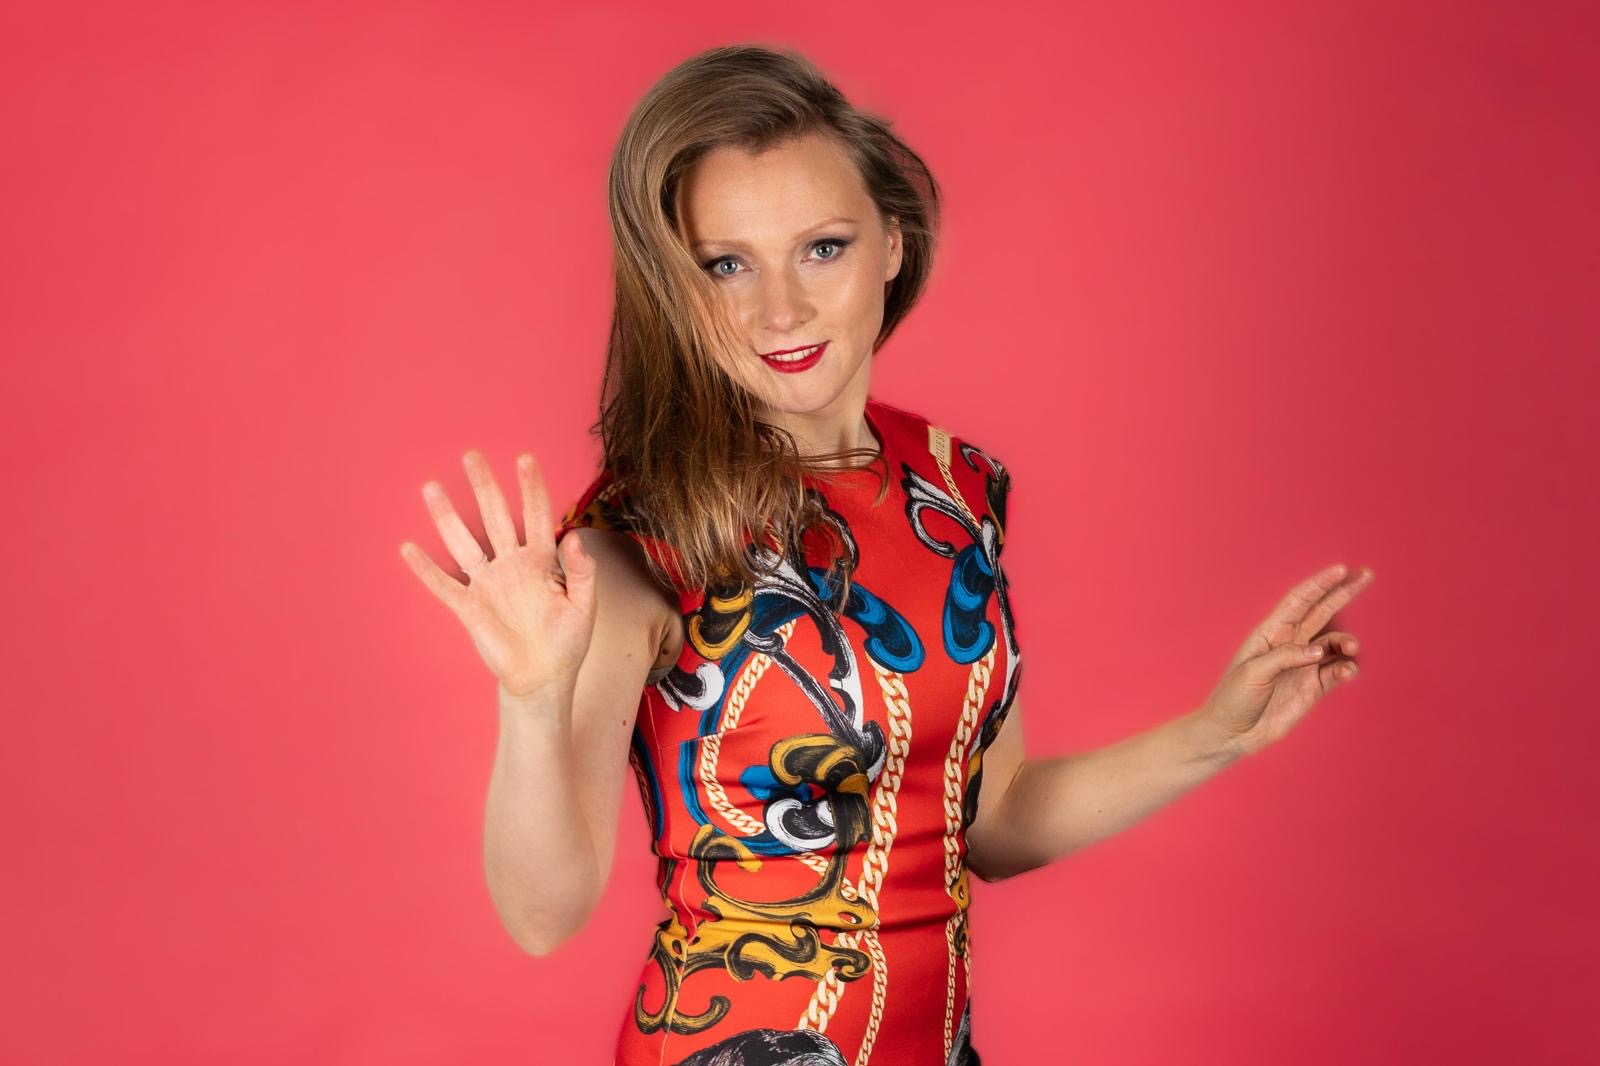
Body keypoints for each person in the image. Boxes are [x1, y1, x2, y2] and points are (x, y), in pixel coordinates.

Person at [398, 44, 1373, 1066]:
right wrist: (531, 701)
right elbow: (542, 915)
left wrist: (1215, 735)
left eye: (822, 248)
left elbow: (992, 822)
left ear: (893, 245)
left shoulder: (958, 488)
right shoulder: (640, 536)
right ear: (675, 289)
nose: (779, 309)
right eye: (726, 264)